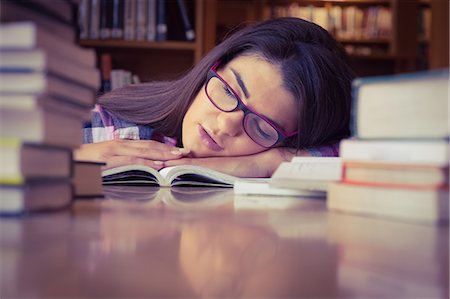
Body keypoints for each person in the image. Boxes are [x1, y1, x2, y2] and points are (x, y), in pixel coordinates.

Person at [75, 17, 355, 177]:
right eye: (228, 91)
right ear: (213, 67)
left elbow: (360, 153)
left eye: (261, 127)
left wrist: (271, 162)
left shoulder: (271, 158)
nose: (225, 126)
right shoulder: (104, 123)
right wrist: (68, 162)